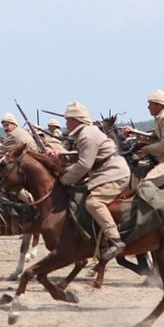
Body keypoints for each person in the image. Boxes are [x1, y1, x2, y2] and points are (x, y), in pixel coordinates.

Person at [59, 102, 130, 261]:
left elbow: (84, 164)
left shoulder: (87, 135)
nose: (66, 123)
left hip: (113, 173)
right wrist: (59, 154)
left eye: (68, 119)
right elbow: (82, 156)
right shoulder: (86, 133)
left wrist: (64, 180)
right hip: (104, 171)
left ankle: (115, 239)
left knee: (93, 202)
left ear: (77, 120)